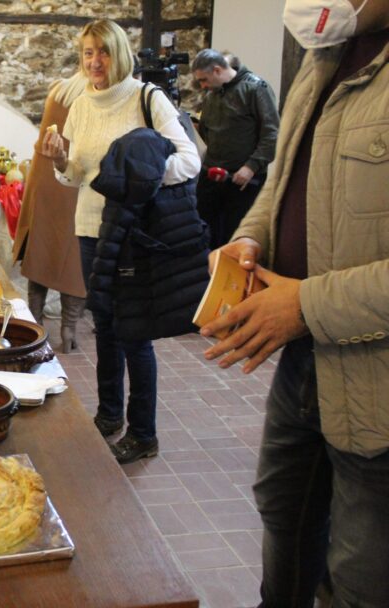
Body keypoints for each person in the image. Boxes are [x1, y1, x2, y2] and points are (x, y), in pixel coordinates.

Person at [200, 1, 389, 606]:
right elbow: (286, 174)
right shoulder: (324, 56)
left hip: (377, 382)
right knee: (284, 513)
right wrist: (250, 236)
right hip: (307, 360)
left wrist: (306, 304)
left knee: (361, 572)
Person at [41, 19, 200, 464]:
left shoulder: (146, 97)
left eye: (103, 51)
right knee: (105, 329)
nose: (94, 61)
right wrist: (60, 163)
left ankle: (144, 432)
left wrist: (141, 178)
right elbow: (78, 175)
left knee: (134, 334)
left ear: (120, 54)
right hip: (91, 230)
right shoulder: (81, 104)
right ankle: (109, 415)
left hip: (132, 234)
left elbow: (189, 160)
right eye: (88, 52)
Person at [12, 74, 89, 353]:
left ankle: (35, 324)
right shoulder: (93, 97)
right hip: (74, 177)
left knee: (40, 251)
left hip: (44, 178)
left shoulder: (59, 89)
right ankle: (68, 329)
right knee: (74, 257)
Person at [192, 48, 280, 249]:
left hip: (243, 179)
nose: (203, 86)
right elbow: (207, 131)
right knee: (204, 233)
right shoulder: (211, 95)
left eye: (204, 80)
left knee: (235, 237)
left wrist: (251, 167)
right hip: (212, 176)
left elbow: (271, 134)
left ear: (217, 70)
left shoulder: (256, 88)